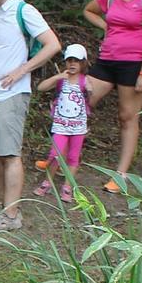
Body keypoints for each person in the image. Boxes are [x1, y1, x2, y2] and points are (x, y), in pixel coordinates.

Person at [0, 0, 61, 233]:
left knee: (10, 154)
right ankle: (3, 207)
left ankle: (11, 216)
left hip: (10, 95)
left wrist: (22, 69)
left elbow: (53, 44)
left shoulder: (24, 11)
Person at [82, 0, 142, 193]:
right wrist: (106, 25)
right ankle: (61, 157)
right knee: (80, 101)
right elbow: (88, 10)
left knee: (127, 116)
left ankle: (121, 174)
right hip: (107, 60)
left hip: (133, 63)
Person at [35, 44, 92, 203]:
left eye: (76, 61)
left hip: (78, 126)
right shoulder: (62, 81)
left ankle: (68, 186)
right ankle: (48, 181)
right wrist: (57, 77)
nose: (72, 64)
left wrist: (90, 90)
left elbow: (91, 98)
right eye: (69, 60)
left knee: (73, 157)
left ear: (83, 63)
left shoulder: (84, 81)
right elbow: (41, 88)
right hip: (60, 125)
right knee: (55, 154)